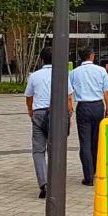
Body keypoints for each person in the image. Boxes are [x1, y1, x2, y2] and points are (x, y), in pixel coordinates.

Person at [24, 47, 74, 199]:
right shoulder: (62, 74)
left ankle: (43, 183)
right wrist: (69, 114)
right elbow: (69, 98)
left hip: (39, 113)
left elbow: (28, 97)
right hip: (58, 113)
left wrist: (31, 112)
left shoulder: (34, 76)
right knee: (56, 149)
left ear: (41, 59)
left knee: (38, 150)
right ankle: (56, 183)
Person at [70, 48, 108, 186]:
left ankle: (88, 177)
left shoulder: (74, 73)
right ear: (92, 56)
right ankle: (95, 171)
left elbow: (69, 92)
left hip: (83, 107)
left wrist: (70, 108)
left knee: (85, 142)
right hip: (98, 106)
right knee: (96, 141)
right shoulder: (101, 71)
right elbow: (106, 91)